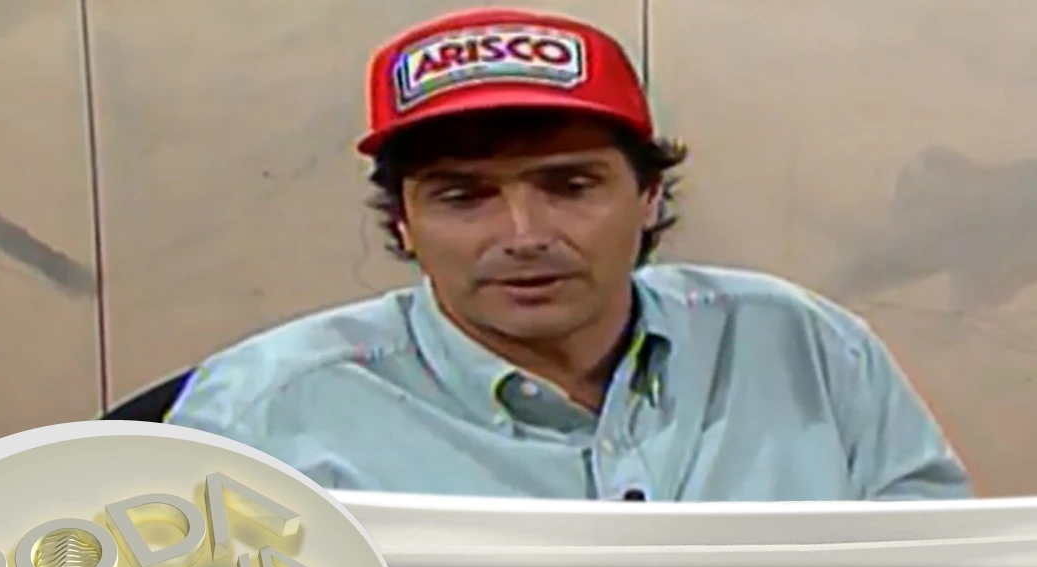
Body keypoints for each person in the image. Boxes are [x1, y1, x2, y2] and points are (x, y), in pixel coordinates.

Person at [165, 7, 973, 501]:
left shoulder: (805, 349)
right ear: (404, 222)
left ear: (648, 196)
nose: (523, 235)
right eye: (463, 196)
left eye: (570, 185)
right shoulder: (265, 412)